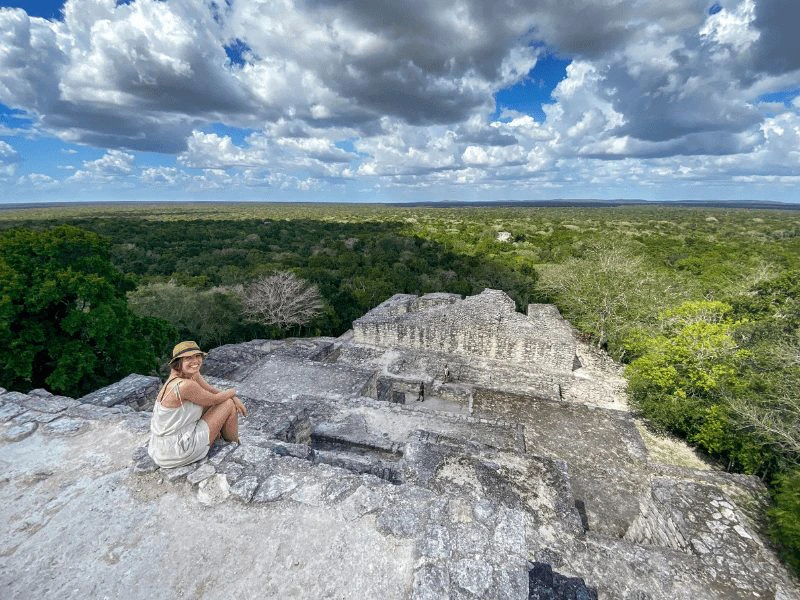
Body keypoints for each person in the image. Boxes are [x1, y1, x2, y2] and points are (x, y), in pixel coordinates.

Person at [148, 341, 247, 469]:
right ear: (178, 362)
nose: (195, 361)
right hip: (177, 451)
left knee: (222, 401)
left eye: (198, 356)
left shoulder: (188, 375)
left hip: (162, 448)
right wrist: (233, 393)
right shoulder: (184, 385)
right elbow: (214, 399)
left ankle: (226, 439)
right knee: (227, 404)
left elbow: (210, 390)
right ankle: (234, 445)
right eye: (189, 358)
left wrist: (233, 397)